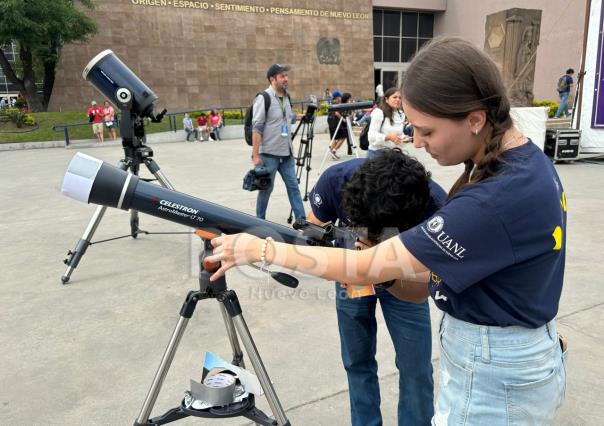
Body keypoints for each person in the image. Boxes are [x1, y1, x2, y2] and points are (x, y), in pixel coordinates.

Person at [209, 37, 568, 425]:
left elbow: (366, 268)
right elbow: (424, 280)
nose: (417, 142)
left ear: (475, 120)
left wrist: (261, 250)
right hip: (511, 357)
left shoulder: (487, 200)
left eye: (427, 132)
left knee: (413, 368)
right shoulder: (526, 164)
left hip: (493, 376)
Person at [308, 149, 447, 425]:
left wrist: (390, 269)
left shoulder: (433, 203)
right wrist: (327, 256)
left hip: (407, 276)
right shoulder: (337, 180)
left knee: (416, 366)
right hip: (352, 273)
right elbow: (311, 229)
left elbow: (433, 276)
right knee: (357, 362)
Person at [251, 63, 306, 221]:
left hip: (286, 153)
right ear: (272, 79)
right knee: (266, 189)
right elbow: (257, 127)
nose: (286, 79)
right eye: (282, 76)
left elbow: (287, 118)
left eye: (286, 76)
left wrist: (299, 117)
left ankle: (301, 221)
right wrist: (255, 155)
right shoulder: (264, 98)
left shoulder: (287, 96)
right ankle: (259, 221)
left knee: (293, 187)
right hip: (268, 154)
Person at [367, 87, 410, 159]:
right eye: (394, 97)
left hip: (394, 154)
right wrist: (388, 137)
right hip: (378, 155)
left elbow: (398, 134)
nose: (398, 100)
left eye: (400, 98)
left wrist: (403, 138)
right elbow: (371, 136)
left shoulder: (400, 114)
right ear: (386, 99)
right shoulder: (379, 113)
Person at [327, 91, 350, 160]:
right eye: (340, 97)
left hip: (330, 122)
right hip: (336, 122)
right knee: (343, 136)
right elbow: (337, 113)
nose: (341, 98)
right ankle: (334, 151)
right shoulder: (336, 103)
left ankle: (333, 152)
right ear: (337, 97)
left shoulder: (331, 103)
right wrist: (343, 119)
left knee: (334, 138)